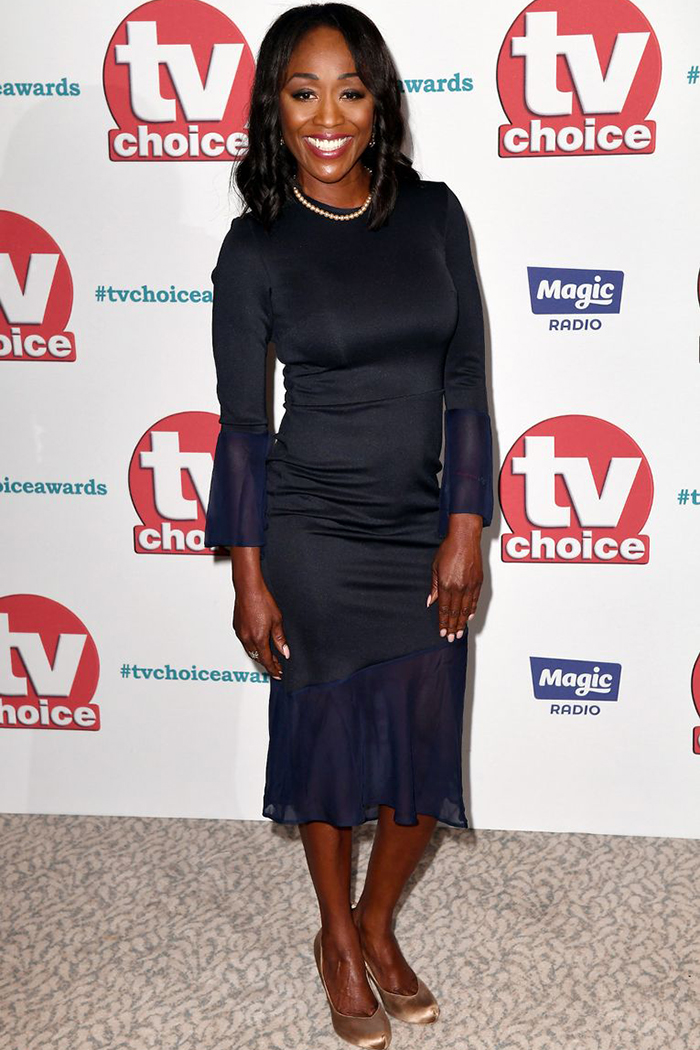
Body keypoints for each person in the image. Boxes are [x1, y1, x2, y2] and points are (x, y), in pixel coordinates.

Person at [203, 4, 493, 1047]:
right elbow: (243, 428)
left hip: (423, 526)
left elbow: (466, 385)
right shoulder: (255, 248)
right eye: (302, 93)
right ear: (274, 109)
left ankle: (377, 923)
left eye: (350, 92)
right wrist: (249, 577)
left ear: (379, 104)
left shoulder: (434, 215)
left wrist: (464, 527)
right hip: (311, 533)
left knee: (421, 750)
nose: (327, 117)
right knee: (327, 755)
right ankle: (336, 937)